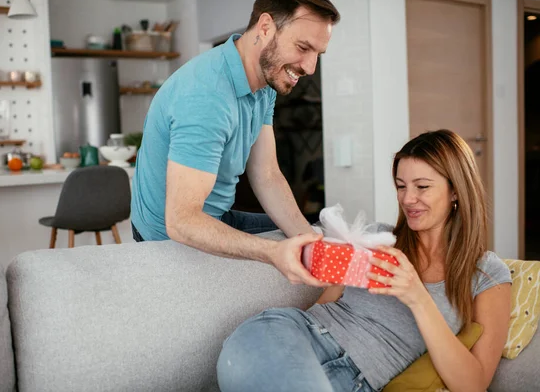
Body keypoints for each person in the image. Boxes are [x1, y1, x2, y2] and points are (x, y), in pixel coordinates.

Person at [216, 129, 512, 392]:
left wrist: (417, 297)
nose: (408, 199)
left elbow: (473, 384)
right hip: (288, 334)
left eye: (422, 187)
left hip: (356, 381)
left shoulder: (487, 274)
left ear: (456, 190)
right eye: (400, 186)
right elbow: (323, 305)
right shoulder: (378, 238)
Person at [130, 0, 340, 287]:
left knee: (313, 237)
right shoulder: (206, 94)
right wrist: (273, 253)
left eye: (318, 53)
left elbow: (266, 174)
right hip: (166, 241)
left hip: (215, 215)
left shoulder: (265, 81)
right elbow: (182, 222)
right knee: (281, 253)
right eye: (303, 47)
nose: (310, 67)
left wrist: (309, 242)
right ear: (265, 27)